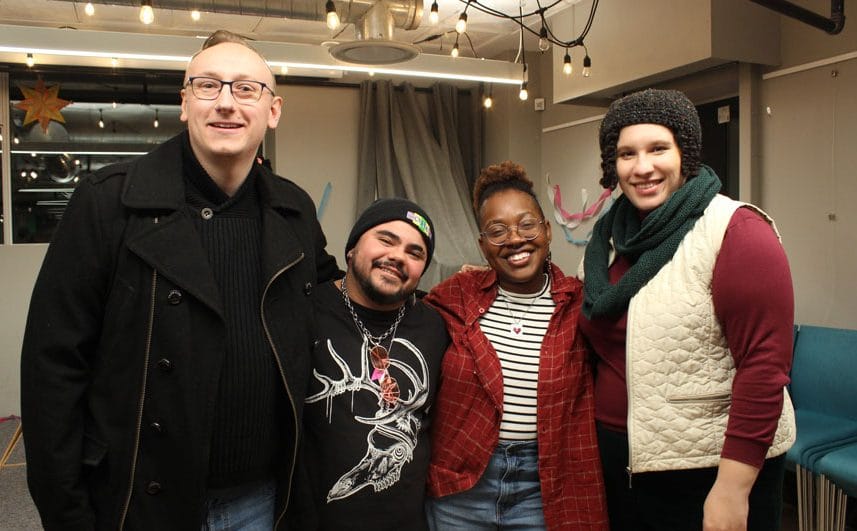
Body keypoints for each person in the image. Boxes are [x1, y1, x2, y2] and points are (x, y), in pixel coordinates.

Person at [20, 29, 340, 530]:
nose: (227, 103)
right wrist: (68, 513)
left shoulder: (293, 209)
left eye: (246, 89)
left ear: (273, 111)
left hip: (263, 499)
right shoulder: (108, 203)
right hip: (141, 500)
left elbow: (335, 297)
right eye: (208, 86)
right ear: (185, 104)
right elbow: (53, 369)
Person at [578, 88, 796, 531]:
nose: (642, 167)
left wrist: (732, 490)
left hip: (709, 469)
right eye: (626, 154)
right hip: (622, 464)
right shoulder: (607, 241)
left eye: (658, 148)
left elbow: (764, 367)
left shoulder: (735, 229)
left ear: (685, 153)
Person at [424, 161, 609, 530]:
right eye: (497, 230)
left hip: (544, 486)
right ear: (482, 244)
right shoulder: (453, 298)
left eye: (526, 225)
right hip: (461, 485)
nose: (514, 239)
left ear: (546, 230)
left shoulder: (579, 305)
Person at [286, 198, 448, 530]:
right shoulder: (302, 311)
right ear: (351, 249)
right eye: (385, 240)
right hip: (312, 521)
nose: (398, 256)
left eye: (415, 253)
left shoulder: (436, 326)